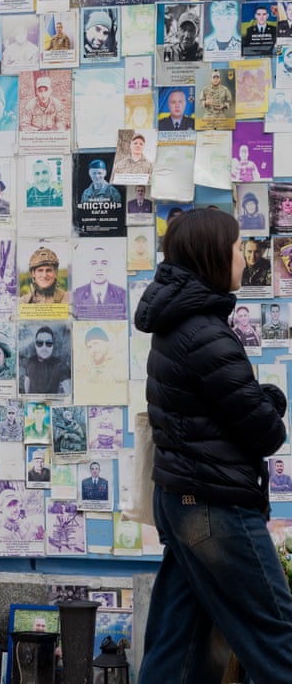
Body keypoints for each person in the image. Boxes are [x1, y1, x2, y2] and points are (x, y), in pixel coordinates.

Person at [135, 208, 292, 680]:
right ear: (213, 256)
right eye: (237, 248)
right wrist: (273, 399)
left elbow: (216, 408)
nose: (245, 258)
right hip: (214, 507)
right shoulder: (205, 332)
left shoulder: (179, 324)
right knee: (275, 633)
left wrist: (256, 399)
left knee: (178, 643)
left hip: (185, 501)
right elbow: (266, 432)